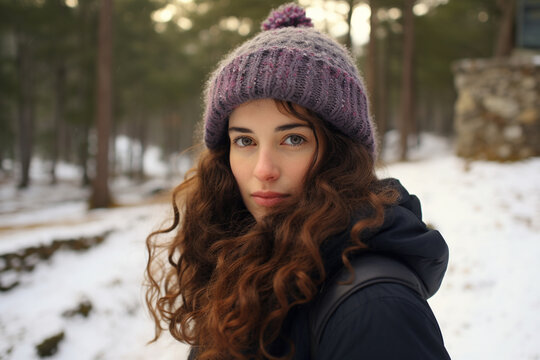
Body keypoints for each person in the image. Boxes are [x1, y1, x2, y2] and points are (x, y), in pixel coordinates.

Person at [145, 3, 451, 360]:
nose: (263, 170)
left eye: (293, 139)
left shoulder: (375, 309)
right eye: (245, 141)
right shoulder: (241, 267)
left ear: (341, 152)